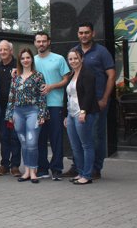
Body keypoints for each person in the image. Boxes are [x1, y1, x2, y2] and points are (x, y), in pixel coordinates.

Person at [62, 22, 115, 180]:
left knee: (96, 136)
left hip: (97, 102)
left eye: (86, 32)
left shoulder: (101, 52)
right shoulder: (75, 51)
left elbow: (111, 75)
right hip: (77, 105)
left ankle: (95, 169)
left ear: (93, 33)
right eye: (81, 33)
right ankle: (81, 168)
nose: (83, 35)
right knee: (80, 139)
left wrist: (105, 98)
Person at [5, 48, 48, 184]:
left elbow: (42, 97)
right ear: (20, 60)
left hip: (33, 112)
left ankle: (34, 171)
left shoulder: (38, 76)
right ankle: (27, 171)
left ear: (32, 59)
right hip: (18, 112)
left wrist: (42, 114)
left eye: (28, 57)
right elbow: (11, 97)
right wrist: (9, 114)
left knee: (32, 142)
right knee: (23, 142)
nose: (25, 60)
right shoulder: (15, 77)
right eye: (22, 58)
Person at [33, 32, 71, 181]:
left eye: (44, 41)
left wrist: (52, 87)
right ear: (35, 43)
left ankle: (56, 169)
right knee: (40, 138)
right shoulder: (32, 60)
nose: (41, 44)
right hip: (37, 106)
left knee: (56, 138)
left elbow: (66, 79)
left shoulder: (59, 59)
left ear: (49, 42)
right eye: (38, 41)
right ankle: (42, 168)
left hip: (55, 104)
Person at [63, 48, 100, 185]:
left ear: (82, 59)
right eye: (71, 59)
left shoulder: (88, 74)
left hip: (83, 114)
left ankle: (87, 175)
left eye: (76, 58)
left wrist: (83, 111)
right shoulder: (71, 75)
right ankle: (80, 172)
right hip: (71, 114)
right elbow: (68, 97)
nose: (73, 61)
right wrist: (66, 115)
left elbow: (89, 95)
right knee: (75, 146)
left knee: (86, 145)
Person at [0, 40, 21, 177]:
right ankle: (4, 164)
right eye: (1, 50)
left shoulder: (19, 65)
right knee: (4, 137)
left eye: (5, 49)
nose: (3, 52)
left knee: (15, 137)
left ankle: (15, 166)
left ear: (11, 51)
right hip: (1, 108)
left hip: (16, 108)